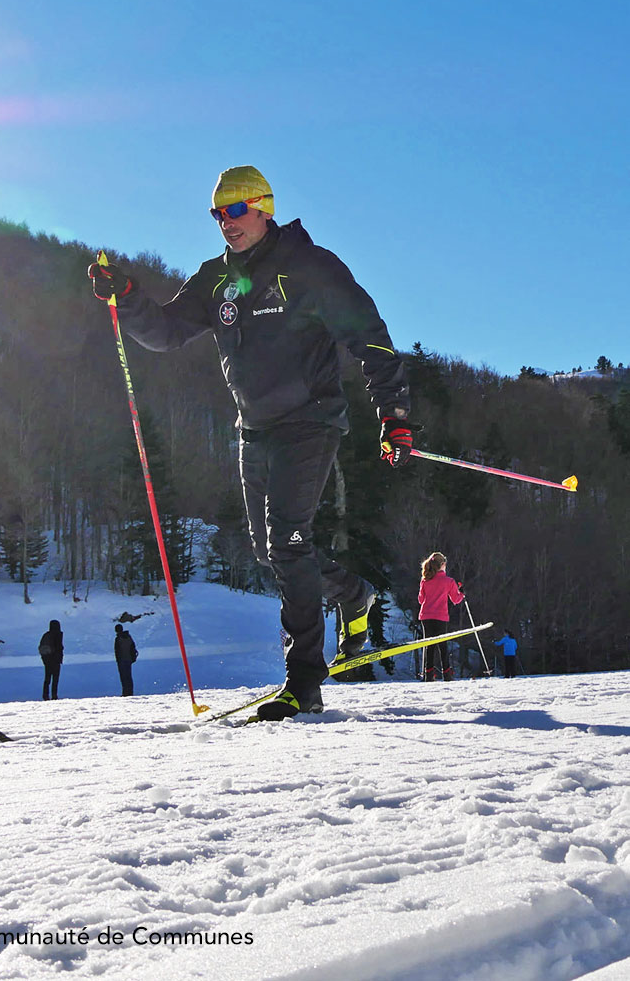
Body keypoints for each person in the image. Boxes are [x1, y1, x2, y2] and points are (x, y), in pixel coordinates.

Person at [89, 165, 413, 721]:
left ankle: (303, 682)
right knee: (271, 551)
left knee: (288, 544)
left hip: (310, 421)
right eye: (218, 213)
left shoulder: (309, 268)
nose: (227, 223)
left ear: (264, 207)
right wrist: (130, 296)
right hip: (254, 429)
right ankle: (352, 594)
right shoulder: (217, 279)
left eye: (236, 210)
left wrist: (395, 414)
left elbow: (370, 336)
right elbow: (165, 334)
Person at [417, 552, 464, 681]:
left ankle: (429, 674)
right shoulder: (448, 581)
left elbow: (421, 600)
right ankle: (447, 674)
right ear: (443, 564)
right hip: (441, 616)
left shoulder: (425, 580)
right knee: (443, 645)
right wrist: (461, 593)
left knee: (429, 645)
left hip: (426, 616)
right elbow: (456, 599)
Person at [38, 619, 64, 700]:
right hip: (55, 660)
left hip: (47, 660)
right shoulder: (58, 635)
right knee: (55, 679)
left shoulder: (46, 635)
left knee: (47, 679)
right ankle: (54, 695)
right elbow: (59, 648)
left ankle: (45, 695)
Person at [114, 623, 138, 696]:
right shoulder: (128, 637)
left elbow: (117, 651)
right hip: (129, 660)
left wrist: (118, 660)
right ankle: (130, 692)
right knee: (128, 677)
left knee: (123, 677)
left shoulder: (118, 639)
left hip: (122, 661)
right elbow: (133, 647)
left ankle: (125, 693)